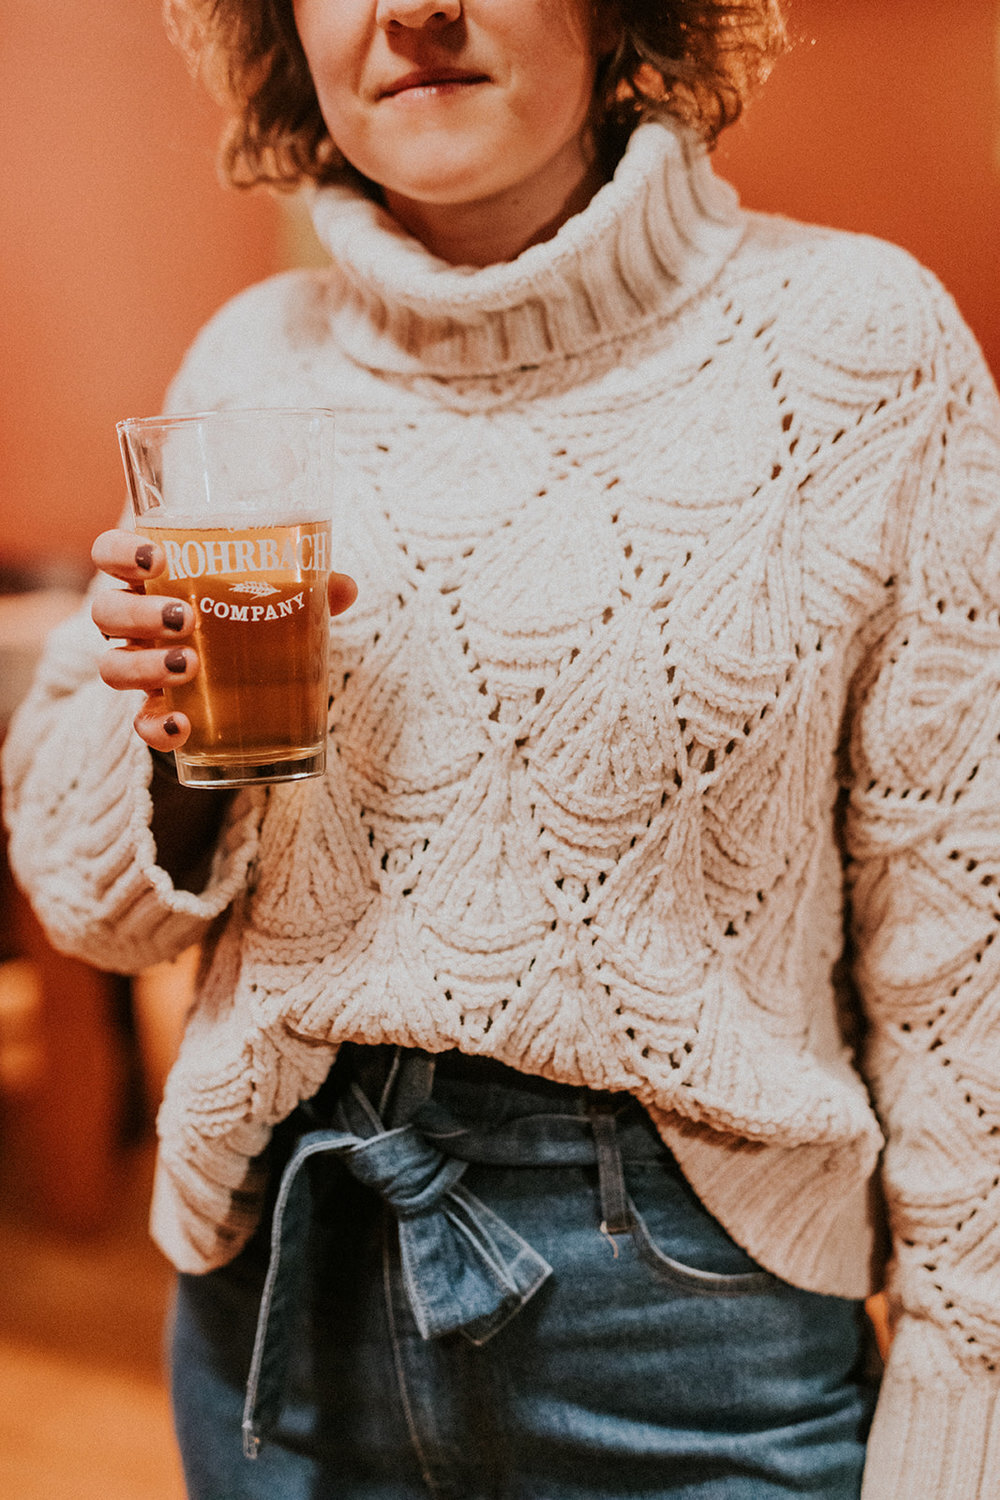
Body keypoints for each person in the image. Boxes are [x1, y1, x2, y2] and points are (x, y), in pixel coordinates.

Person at [4, 0, 1000, 1494]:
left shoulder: (861, 348)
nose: (415, 8)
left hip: (695, 1341)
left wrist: (965, 1379)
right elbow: (95, 908)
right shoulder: (247, 364)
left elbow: (962, 933)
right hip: (285, 1285)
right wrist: (174, 754)